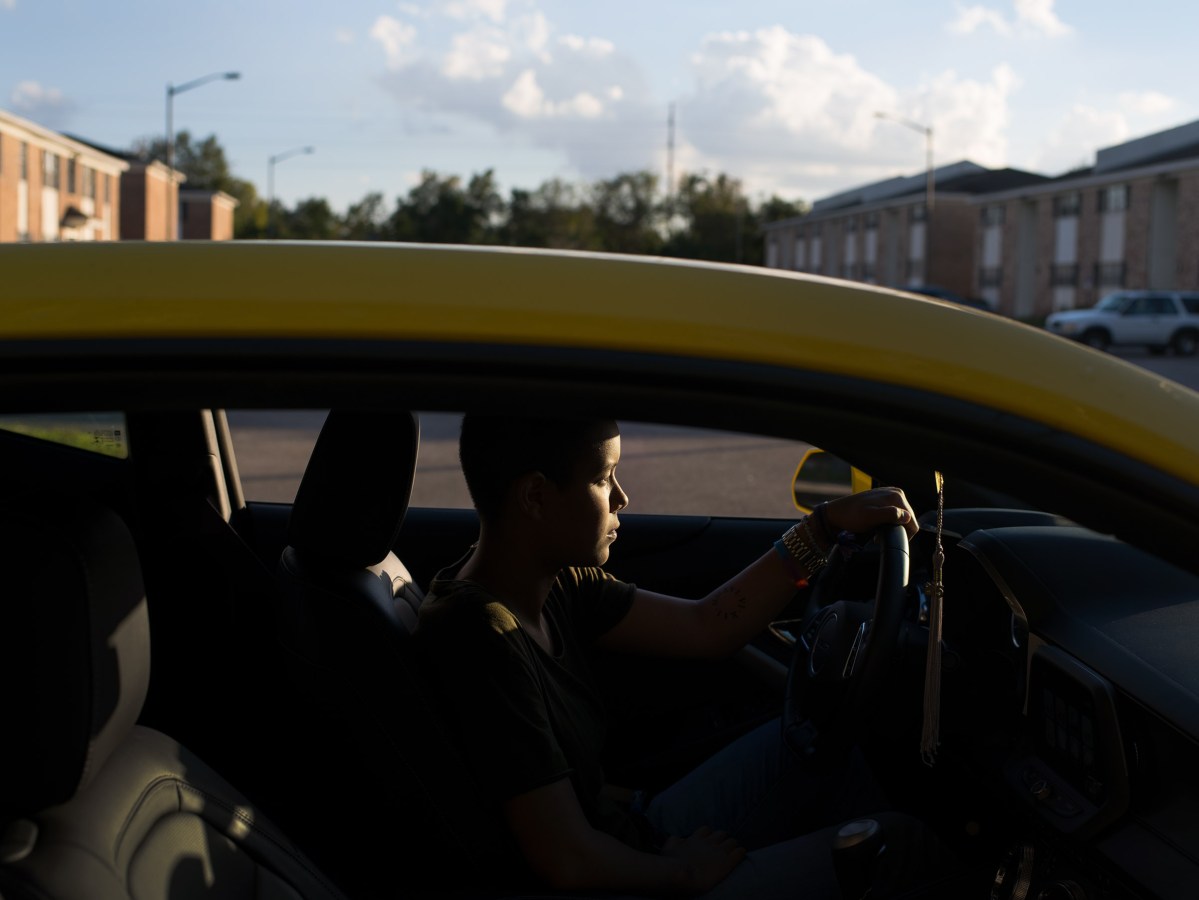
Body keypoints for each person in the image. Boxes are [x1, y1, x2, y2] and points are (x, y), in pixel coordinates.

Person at [416, 415, 924, 898]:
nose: (622, 497)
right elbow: (566, 859)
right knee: (902, 847)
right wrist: (683, 871)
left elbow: (705, 625)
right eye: (603, 478)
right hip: (621, 879)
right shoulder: (480, 634)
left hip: (633, 831)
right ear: (535, 496)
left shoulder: (553, 583)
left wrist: (822, 529)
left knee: (837, 750)